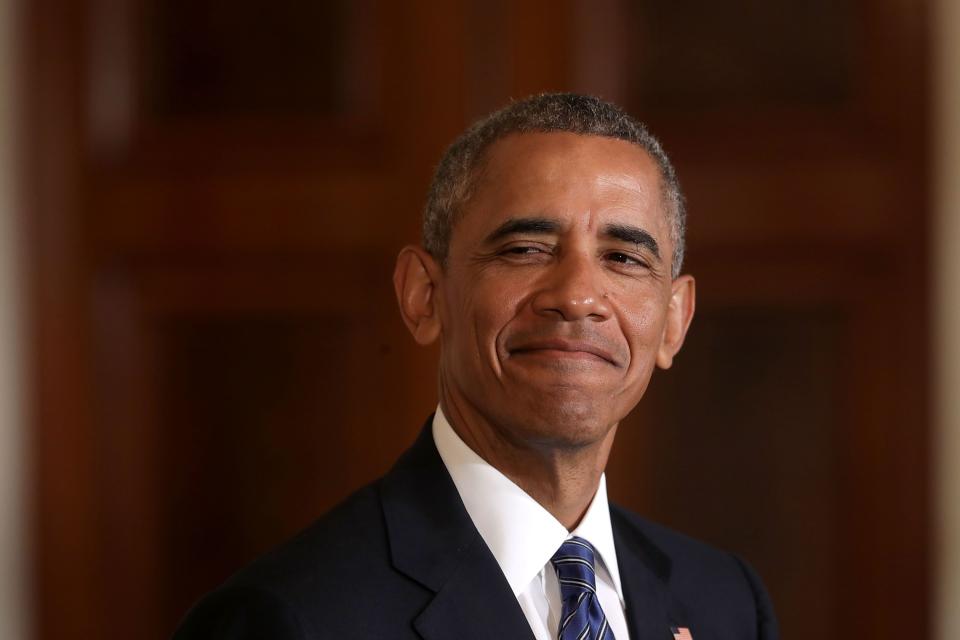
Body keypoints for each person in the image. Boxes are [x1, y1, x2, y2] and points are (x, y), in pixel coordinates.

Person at [174, 93, 779, 640]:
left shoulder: (724, 603)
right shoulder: (288, 620)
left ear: (674, 321)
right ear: (424, 296)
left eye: (622, 257)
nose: (577, 295)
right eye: (525, 250)